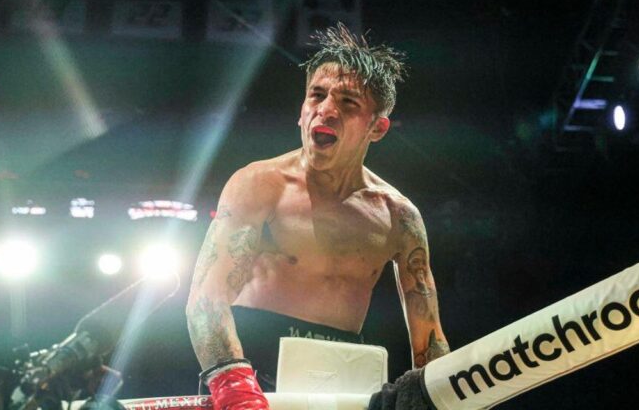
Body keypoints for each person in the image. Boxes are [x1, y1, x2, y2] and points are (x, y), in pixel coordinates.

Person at [185, 23, 449, 410]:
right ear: (301, 110)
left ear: (377, 127)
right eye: (317, 95)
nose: (325, 110)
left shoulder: (398, 216)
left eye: (348, 102)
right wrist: (234, 386)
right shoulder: (259, 184)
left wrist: (441, 397)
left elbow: (429, 338)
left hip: (342, 379)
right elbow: (205, 300)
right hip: (252, 366)